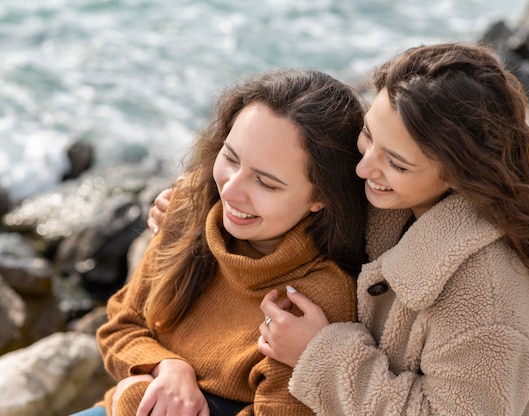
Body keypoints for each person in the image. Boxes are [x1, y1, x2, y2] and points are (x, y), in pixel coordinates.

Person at [149, 43, 529, 415]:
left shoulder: (491, 301)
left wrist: (321, 355)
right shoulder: (399, 203)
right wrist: (196, 200)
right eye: (368, 135)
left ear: (460, 175)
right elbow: (284, 174)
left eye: (397, 163)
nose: (363, 168)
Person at [72, 68, 368, 416]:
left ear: (321, 196)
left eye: (266, 183)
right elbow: (121, 325)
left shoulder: (314, 298)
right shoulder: (186, 209)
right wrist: (166, 367)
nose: (229, 191)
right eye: (230, 158)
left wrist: (137, 398)